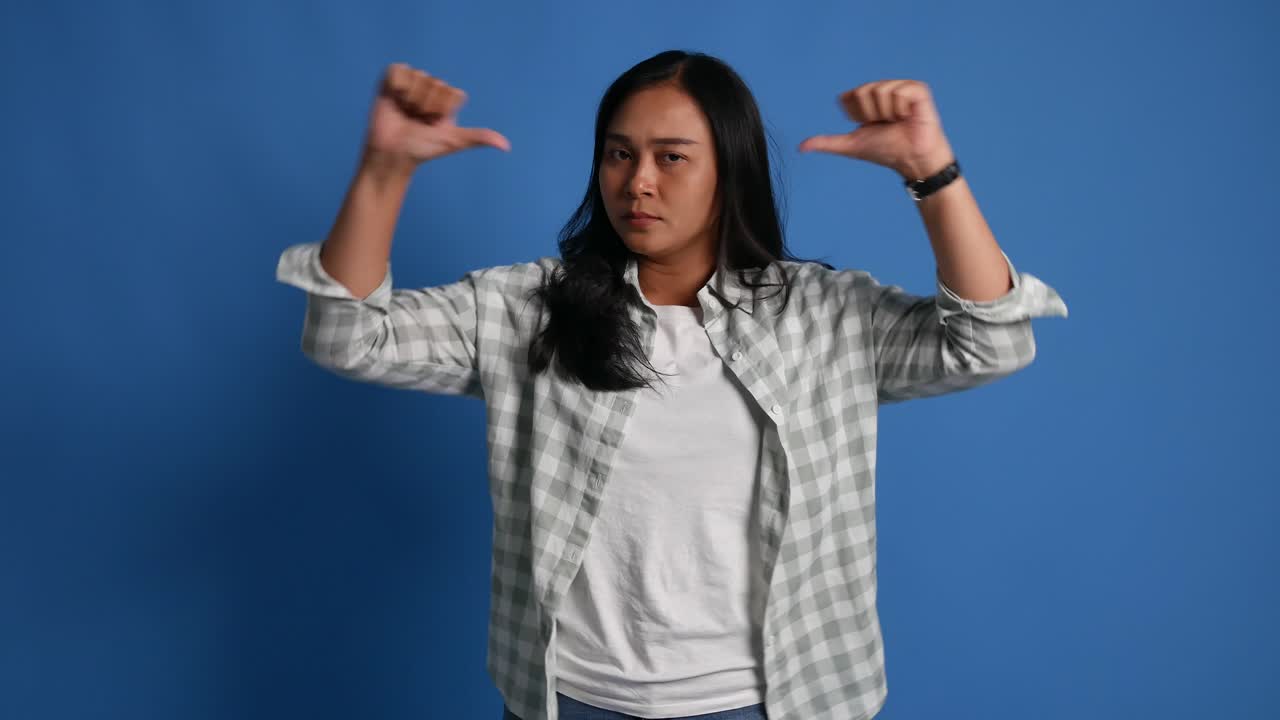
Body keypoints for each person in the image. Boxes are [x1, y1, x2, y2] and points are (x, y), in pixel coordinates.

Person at [275, 49, 1068, 720]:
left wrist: (932, 173)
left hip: (773, 699)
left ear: (731, 169)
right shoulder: (527, 307)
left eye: (671, 157)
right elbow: (350, 336)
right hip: (575, 697)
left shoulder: (824, 315)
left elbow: (989, 343)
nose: (638, 182)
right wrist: (384, 172)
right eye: (619, 154)